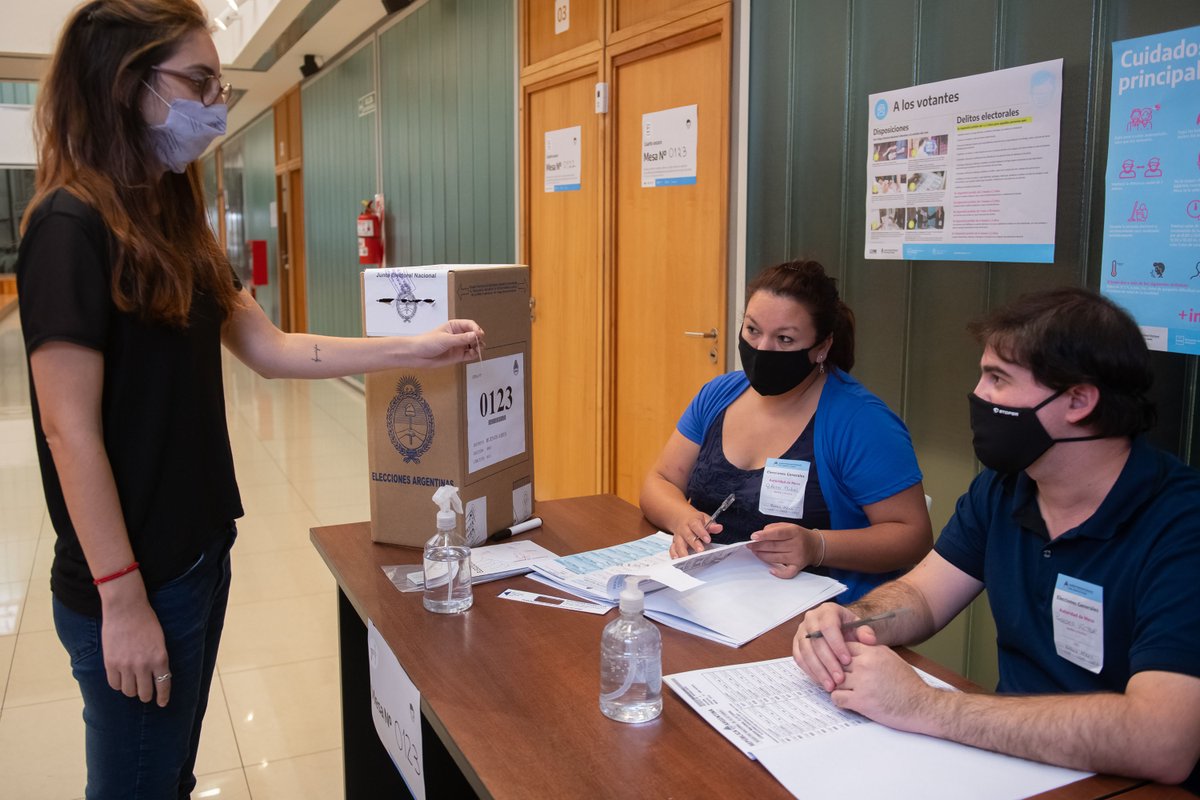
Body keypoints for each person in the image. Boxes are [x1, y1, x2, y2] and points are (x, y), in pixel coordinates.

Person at [16, 1, 485, 796]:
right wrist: (122, 600)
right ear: (128, 83)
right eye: (198, 81)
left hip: (199, 553)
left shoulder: (171, 220)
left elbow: (271, 348)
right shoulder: (69, 225)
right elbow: (68, 431)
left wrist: (417, 346)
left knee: (166, 772)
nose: (214, 104)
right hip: (133, 581)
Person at [793, 287, 1200, 791]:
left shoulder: (1181, 524)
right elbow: (922, 595)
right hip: (1011, 763)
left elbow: (1163, 740)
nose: (978, 395)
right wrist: (853, 620)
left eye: (998, 379)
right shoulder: (1008, 485)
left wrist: (924, 705)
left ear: (1078, 400)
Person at [640, 260, 932, 603]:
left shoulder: (861, 422)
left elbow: (913, 537)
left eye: (784, 338)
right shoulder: (719, 394)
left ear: (821, 347)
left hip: (812, 614)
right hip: (707, 599)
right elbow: (659, 481)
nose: (763, 349)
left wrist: (817, 546)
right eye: (752, 330)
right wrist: (682, 517)